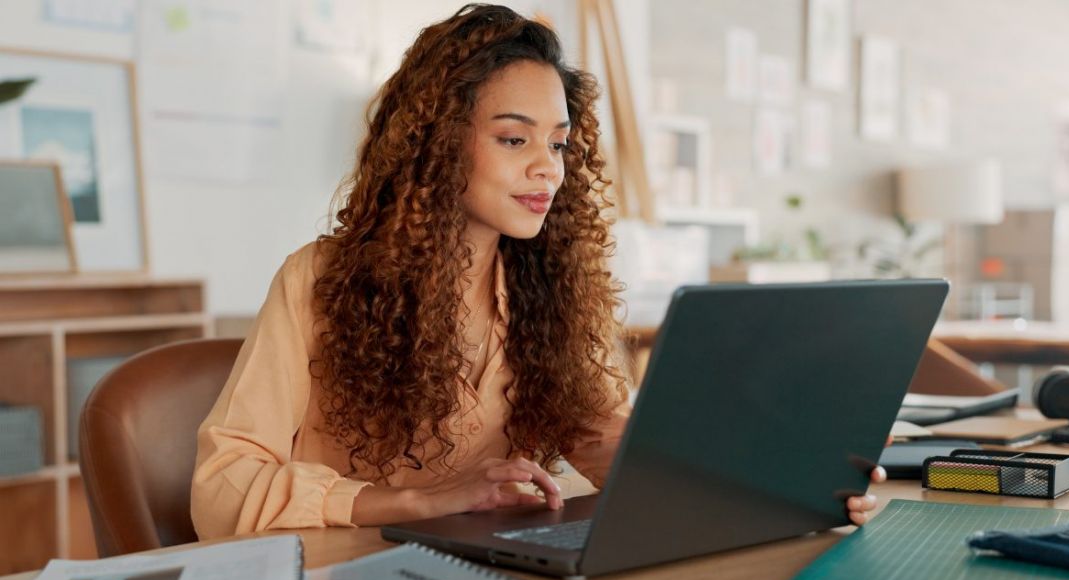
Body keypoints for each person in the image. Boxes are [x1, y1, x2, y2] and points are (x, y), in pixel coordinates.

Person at [191, 3, 883, 540]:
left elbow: (610, 444)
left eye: (557, 143)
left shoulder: (548, 290)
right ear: (436, 145)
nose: (547, 167)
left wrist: (774, 481)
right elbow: (221, 488)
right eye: (513, 138)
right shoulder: (320, 279)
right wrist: (415, 501)